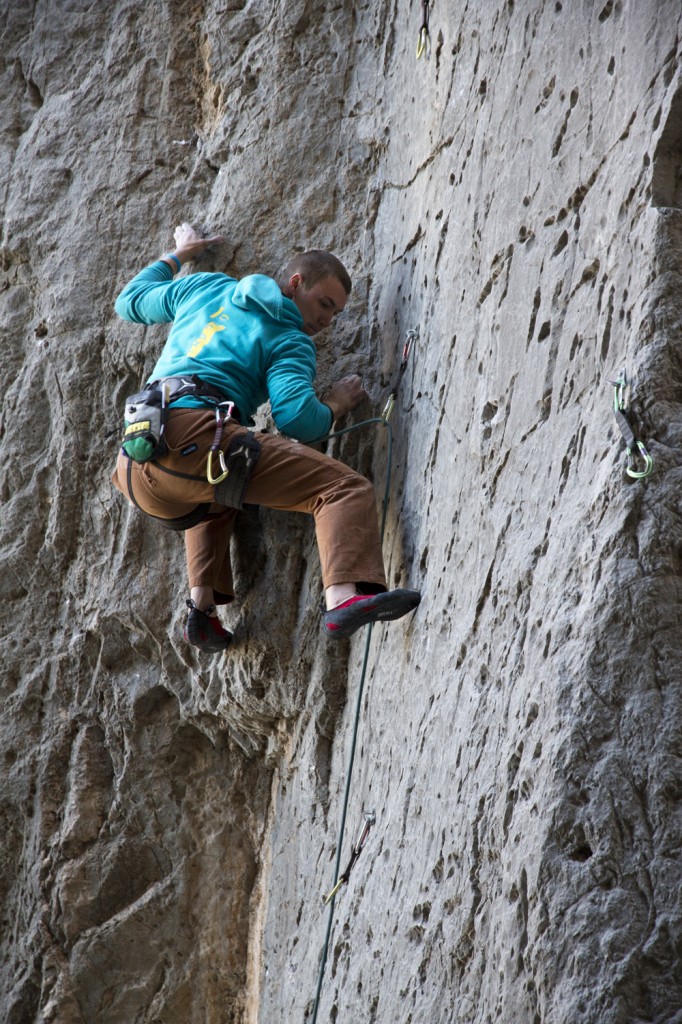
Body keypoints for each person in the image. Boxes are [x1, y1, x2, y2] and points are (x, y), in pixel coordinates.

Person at [112, 223, 420, 652]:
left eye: (337, 314)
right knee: (342, 488)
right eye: (324, 304)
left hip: (136, 462)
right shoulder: (288, 337)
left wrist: (180, 254)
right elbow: (299, 420)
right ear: (296, 284)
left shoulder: (203, 287)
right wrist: (335, 404)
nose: (327, 321)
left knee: (217, 494)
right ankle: (343, 600)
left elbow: (129, 302)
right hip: (197, 437)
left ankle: (201, 611)